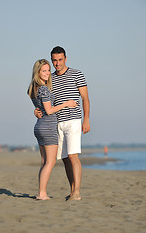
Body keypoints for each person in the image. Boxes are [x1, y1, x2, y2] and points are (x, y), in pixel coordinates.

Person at [35, 47, 90, 200]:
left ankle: (77, 193)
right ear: (51, 60)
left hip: (73, 120)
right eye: (54, 60)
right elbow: (43, 100)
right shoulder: (49, 78)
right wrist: (36, 110)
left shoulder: (77, 74)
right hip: (57, 123)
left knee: (73, 156)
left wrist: (86, 119)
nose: (57, 63)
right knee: (65, 158)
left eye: (60, 60)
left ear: (65, 58)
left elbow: (85, 98)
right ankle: (72, 190)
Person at [28, 59, 77, 200]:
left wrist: (36, 111)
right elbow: (49, 110)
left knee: (44, 162)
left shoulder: (34, 88)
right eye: (44, 71)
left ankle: (41, 191)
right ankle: (42, 193)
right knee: (50, 162)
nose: (47, 73)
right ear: (37, 72)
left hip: (39, 126)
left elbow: (40, 107)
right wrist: (66, 103)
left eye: (48, 70)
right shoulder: (43, 88)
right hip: (48, 126)